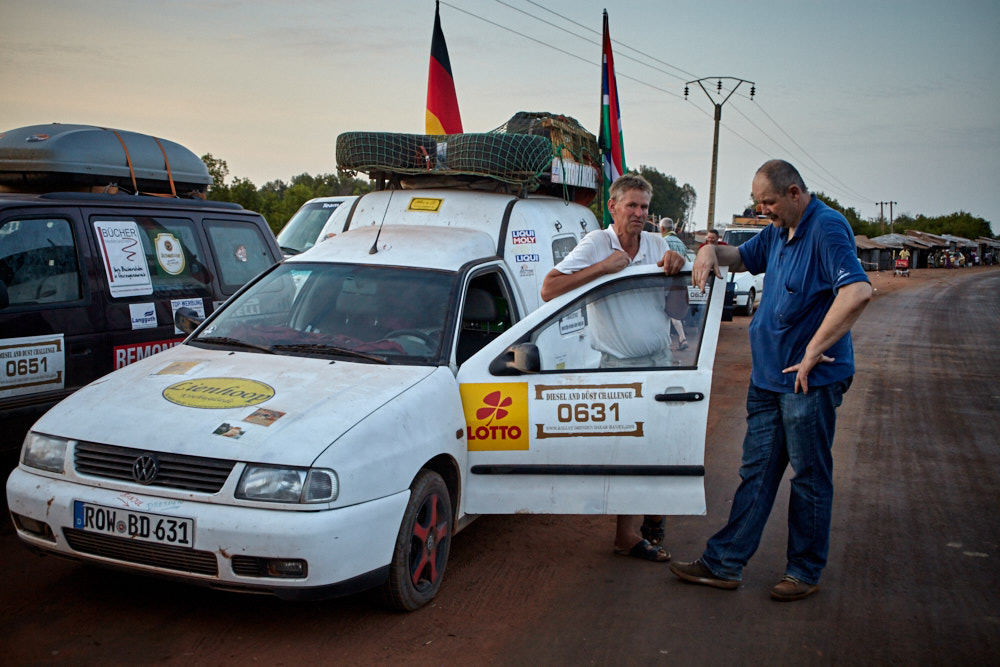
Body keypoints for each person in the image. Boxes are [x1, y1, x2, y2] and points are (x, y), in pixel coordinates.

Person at [669, 159, 872, 601]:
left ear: (795, 193)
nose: (764, 211)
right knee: (756, 472)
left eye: (770, 202)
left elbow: (857, 291)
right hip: (767, 381)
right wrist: (707, 251)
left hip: (807, 382)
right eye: (759, 203)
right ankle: (724, 563)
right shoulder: (779, 231)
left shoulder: (827, 228)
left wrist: (813, 352)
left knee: (809, 477)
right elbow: (739, 257)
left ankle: (804, 571)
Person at [541, 173, 687, 562]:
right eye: (632, 206)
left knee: (661, 446)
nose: (639, 213)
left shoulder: (659, 243)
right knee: (627, 451)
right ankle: (626, 535)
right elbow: (550, 287)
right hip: (618, 367)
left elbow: (678, 312)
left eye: (644, 207)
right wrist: (604, 268)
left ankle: (653, 519)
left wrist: (677, 277)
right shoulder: (597, 243)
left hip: (660, 362)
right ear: (613, 207)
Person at [659, 218, 690, 350]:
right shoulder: (681, 243)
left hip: (667, 282)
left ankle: (672, 341)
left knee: (664, 312)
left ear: (662, 229)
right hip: (680, 284)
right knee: (674, 313)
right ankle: (682, 338)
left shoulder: (662, 242)